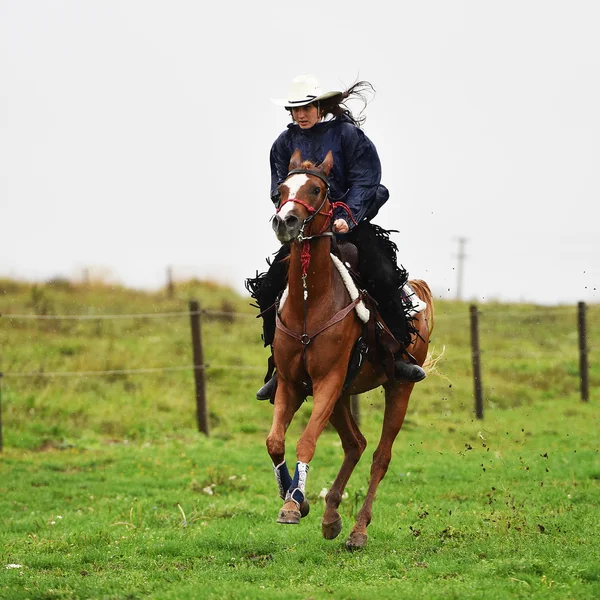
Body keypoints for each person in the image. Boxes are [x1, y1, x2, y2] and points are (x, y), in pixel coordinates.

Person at [247, 74, 425, 400]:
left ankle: (398, 356)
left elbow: (367, 180)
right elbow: (280, 190)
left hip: (351, 227)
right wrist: (291, 219)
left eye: (306, 108)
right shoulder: (282, 145)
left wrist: (346, 217)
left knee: (384, 276)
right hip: (307, 232)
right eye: (294, 109)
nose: (300, 115)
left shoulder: (347, 135)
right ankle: (279, 366)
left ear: (319, 106)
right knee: (267, 287)